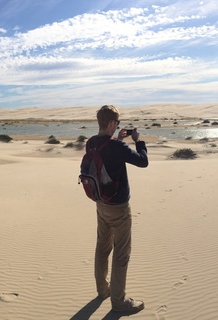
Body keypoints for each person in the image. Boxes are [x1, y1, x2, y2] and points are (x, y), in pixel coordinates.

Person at [86, 105, 148, 313]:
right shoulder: (116, 147)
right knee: (121, 253)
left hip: (100, 204)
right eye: (117, 123)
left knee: (102, 248)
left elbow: (106, 159)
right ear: (112, 123)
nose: (117, 126)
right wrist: (138, 141)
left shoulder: (92, 143)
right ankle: (119, 302)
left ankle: (103, 290)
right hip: (119, 208)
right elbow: (143, 162)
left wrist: (119, 140)